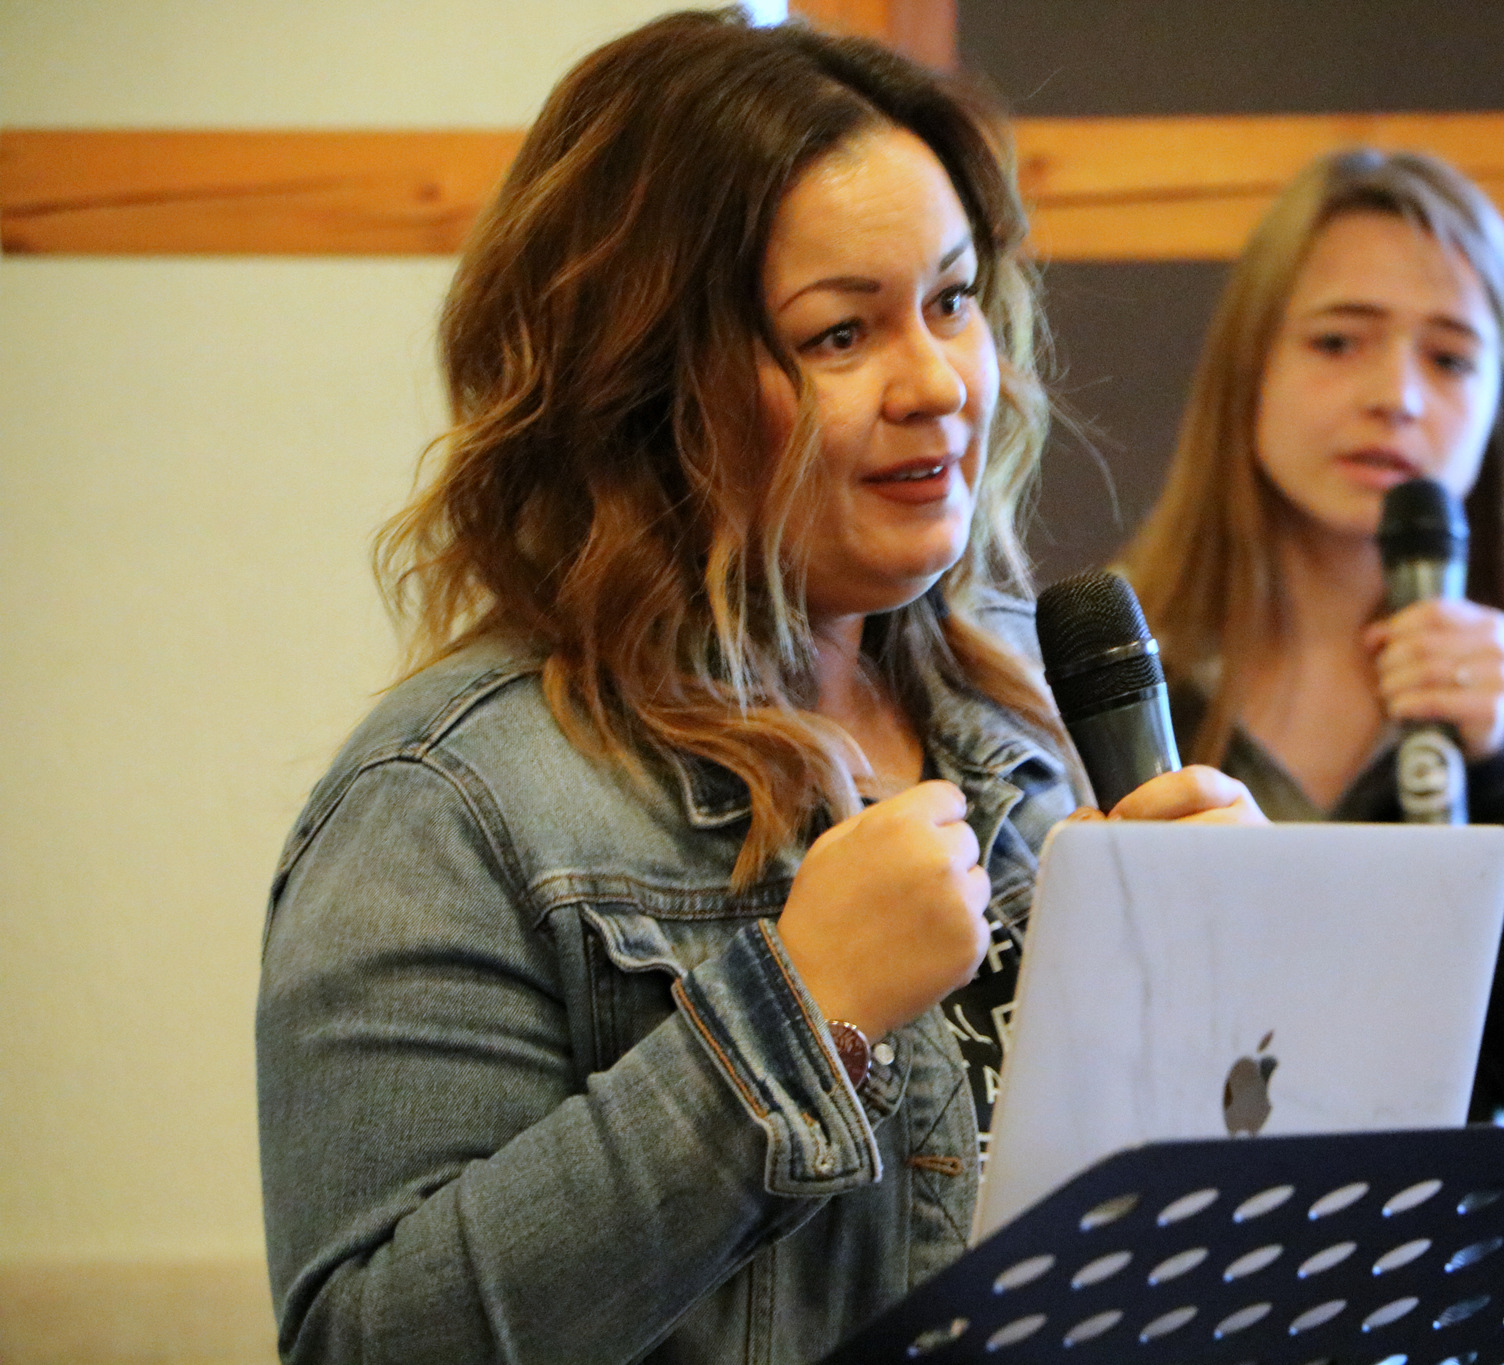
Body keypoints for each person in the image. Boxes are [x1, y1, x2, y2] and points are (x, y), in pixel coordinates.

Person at [255, 13, 1258, 1364]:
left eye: (952, 301)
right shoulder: (449, 805)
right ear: (641, 383)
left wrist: (1255, 1001)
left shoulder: (1036, 720)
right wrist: (797, 1014)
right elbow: (371, 1345)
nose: (937, 383)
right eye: (841, 333)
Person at [1121, 148, 1504, 1122]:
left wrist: (1498, 774)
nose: (1397, 397)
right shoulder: (1125, 681)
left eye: (1450, 358)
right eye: (1339, 342)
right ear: (1248, 367)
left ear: (1500, 401)